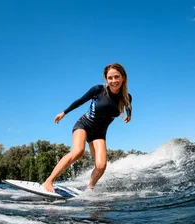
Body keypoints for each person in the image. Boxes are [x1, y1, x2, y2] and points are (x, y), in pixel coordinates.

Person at [42, 63, 132, 193]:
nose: (113, 81)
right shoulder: (98, 90)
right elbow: (79, 101)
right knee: (78, 151)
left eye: (116, 77)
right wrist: (64, 113)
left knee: (101, 165)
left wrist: (129, 116)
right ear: (106, 78)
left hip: (99, 133)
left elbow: (129, 107)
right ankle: (49, 181)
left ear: (123, 78)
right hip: (84, 125)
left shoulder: (126, 98)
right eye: (110, 78)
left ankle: (89, 188)